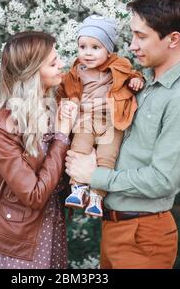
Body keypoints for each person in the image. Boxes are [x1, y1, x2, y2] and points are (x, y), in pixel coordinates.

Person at [65, 0, 180, 268]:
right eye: (132, 35)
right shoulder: (139, 84)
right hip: (113, 226)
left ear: (173, 39)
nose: (132, 45)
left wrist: (96, 175)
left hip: (144, 236)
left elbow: (163, 180)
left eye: (141, 36)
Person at [0, 31, 78, 269]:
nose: (61, 64)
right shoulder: (2, 126)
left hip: (51, 229)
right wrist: (62, 136)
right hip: (19, 242)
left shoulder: (52, 111)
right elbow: (33, 195)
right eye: (53, 63)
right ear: (32, 73)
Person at [59, 15, 145, 217]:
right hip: (86, 119)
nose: (88, 53)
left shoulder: (118, 65)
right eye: (83, 47)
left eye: (95, 47)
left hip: (111, 122)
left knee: (107, 156)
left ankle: (97, 197)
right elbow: (61, 90)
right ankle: (78, 189)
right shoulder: (75, 71)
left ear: (108, 50)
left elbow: (133, 74)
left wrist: (136, 81)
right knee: (79, 148)